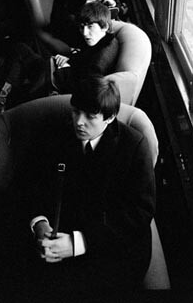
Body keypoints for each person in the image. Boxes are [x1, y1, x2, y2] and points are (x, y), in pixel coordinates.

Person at [27, 75, 156, 303]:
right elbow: (34, 185)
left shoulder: (135, 146)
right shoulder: (56, 134)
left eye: (90, 116)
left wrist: (79, 242)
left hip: (111, 246)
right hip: (59, 236)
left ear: (110, 118)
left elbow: (139, 213)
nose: (78, 122)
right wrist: (40, 223)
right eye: (76, 111)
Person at [0, 1, 119, 112]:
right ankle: (2, 96)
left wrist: (66, 67)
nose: (85, 33)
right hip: (53, 70)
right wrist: (70, 60)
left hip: (53, 84)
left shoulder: (104, 54)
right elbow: (84, 58)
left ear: (105, 26)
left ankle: (3, 101)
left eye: (90, 27)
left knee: (22, 64)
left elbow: (88, 87)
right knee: (20, 49)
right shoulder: (100, 39)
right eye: (82, 27)